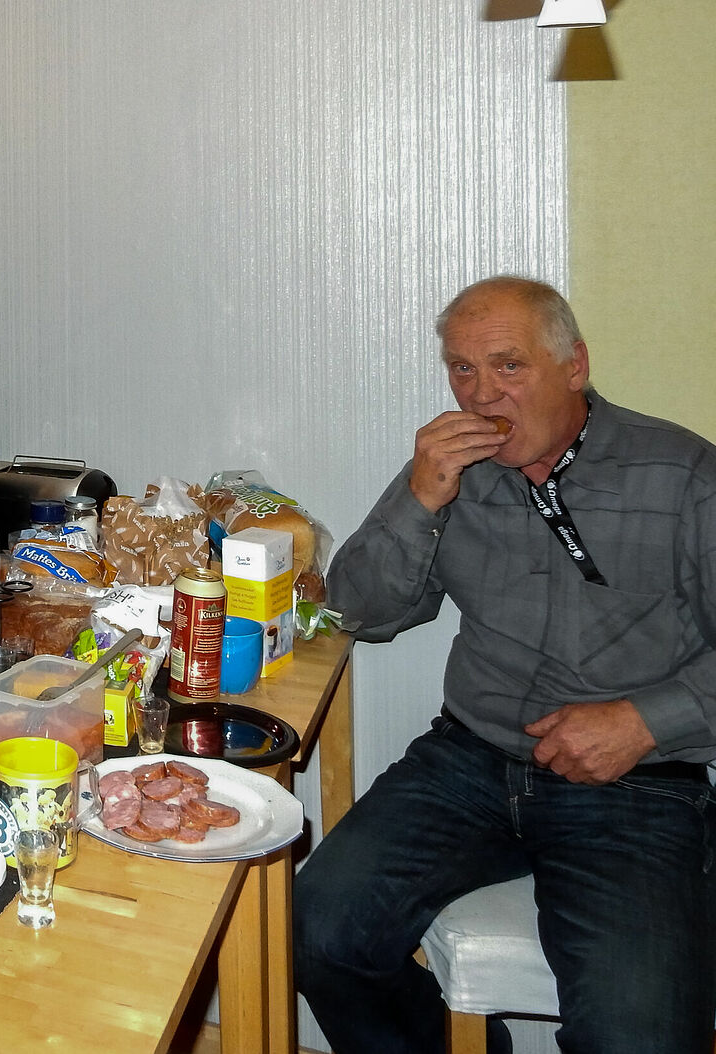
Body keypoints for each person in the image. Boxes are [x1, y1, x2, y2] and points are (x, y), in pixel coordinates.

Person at [293, 276, 716, 1054]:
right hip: (470, 763)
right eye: (462, 369)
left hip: (635, 786)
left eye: (508, 366)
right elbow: (359, 614)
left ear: (574, 366)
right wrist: (420, 499)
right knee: (317, 928)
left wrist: (642, 721)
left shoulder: (682, 474)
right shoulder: (453, 466)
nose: (482, 394)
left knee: (639, 1033)